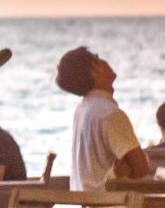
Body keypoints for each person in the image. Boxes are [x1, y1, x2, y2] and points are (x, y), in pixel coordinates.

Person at [54, 46, 151, 189]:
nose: (104, 61)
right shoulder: (110, 114)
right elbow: (141, 167)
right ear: (94, 70)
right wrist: (131, 165)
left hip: (84, 199)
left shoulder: (83, 109)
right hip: (105, 201)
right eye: (97, 58)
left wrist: (121, 169)